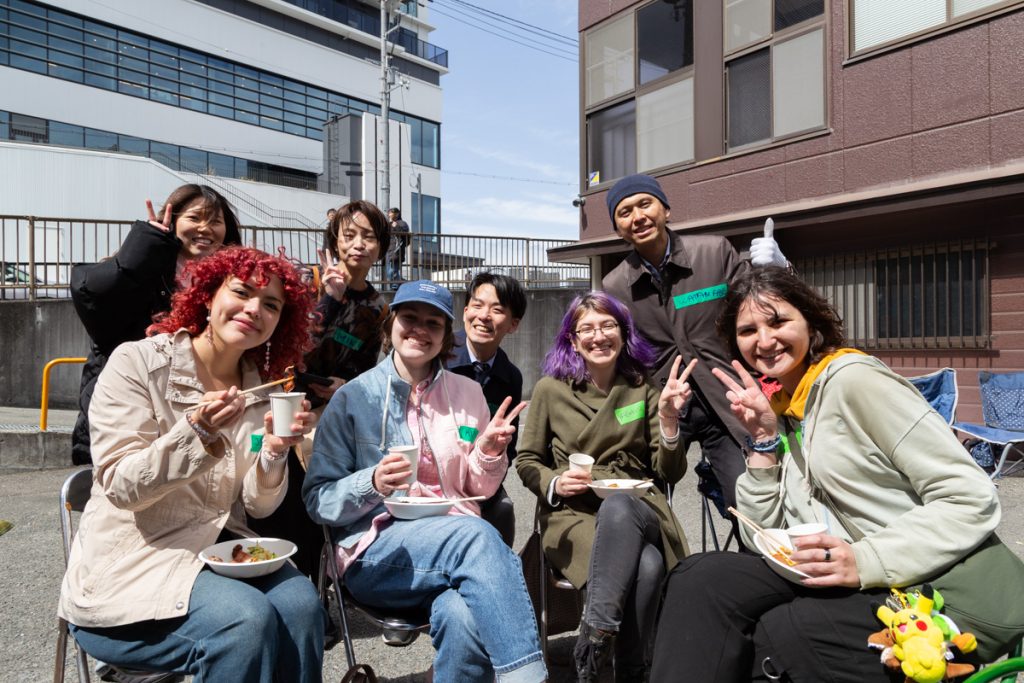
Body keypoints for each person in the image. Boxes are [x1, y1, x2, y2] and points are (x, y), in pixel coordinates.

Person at [650, 266, 1004, 682]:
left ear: (810, 321)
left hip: (922, 589)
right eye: (747, 331)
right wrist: (763, 443)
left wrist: (864, 559)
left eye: (778, 321)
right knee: (700, 578)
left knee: (779, 633)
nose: (764, 340)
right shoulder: (783, 408)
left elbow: (971, 497)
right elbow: (762, 536)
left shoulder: (855, 381)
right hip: (835, 575)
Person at [58, 247, 325, 683]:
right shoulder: (138, 363)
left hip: (216, 556)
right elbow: (122, 486)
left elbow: (257, 507)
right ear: (208, 295)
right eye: (242, 292)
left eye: (271, 305)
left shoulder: (261, 391)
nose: (254, 309)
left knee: (302, 605)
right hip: (130, 569)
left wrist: (275, 450)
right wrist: (196, 432)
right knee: (244, 620)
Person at [303, 280, 547, 683]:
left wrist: (487, 453)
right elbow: (318, 500)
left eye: (433, 323)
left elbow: (479, 490)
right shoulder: (353, 398)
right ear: (390, 325)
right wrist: (372, 482)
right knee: (477, 535)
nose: (420, 329)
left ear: (446, 335)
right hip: (374, 552)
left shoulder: (469, 393)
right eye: (410, 318)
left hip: (456, 551)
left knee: (464, 615)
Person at [515, 291, 694, 682]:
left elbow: (670, 472)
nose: (598, 336)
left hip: (637, 506)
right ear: (573, 339)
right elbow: (527, 460)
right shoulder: (550, 389)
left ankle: (594, 640)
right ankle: (631, 671)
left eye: (608, 325)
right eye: (587, 328)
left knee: (619, 506)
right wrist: (556, 482)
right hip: (573, 514)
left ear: (624, 332)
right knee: (648, 565)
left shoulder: (643, 388)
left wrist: (668, 421)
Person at [601, 173, 788, 519]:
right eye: (624, 212)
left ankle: (751, 553)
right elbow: (618, 352)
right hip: (665, 404)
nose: (637, 217)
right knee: (641, 500)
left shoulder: (714, 253)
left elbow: (762, 305)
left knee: (749, 502)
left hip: (726, 400)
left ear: (666, 210)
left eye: (645, 204)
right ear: (618, 228)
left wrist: (779, 271)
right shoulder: (615, 285)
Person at [250, 199, 390, 577]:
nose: (358, 244)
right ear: (335, 240)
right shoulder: (306, 282)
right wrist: (330, 298)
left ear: (381, 247)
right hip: (280, 403)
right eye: (349, 235)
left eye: (369, 237)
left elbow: (365, 367)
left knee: (317, 504)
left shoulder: (377, 307)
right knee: (276, 499)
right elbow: (293, 346)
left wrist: (346, 384)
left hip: (327, 413)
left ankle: (317, 584)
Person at [70, 184, 242, 465]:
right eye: (194, 218)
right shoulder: (140, 268)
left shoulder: (230, 283)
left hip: (203, 410)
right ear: (172, 221)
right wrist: (147, 244)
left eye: (215, 221)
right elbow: (94, 297)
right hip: (133, 408)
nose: (205, 228)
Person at [446, 271, 527, 547]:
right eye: (477, 305)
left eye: (497, 310)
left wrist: (490, 462)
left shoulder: (510, 377)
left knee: (503, 511)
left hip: (481, 482)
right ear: (465, 311)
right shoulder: (438, 356)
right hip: (435, 478)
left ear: (513, 324)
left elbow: (509, 447)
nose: (483, 316)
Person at [385, 207, 410, 289]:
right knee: (390, 271)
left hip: (397, 250)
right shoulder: (388, 224)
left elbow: (406, 236)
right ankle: (399, 283)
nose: (390, 214)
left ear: (397, 214)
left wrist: (396, 227)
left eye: (391, 213)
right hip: (388, 251)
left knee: (392, 270)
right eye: (389, 213)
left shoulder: (402, 223)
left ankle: (395, 286)